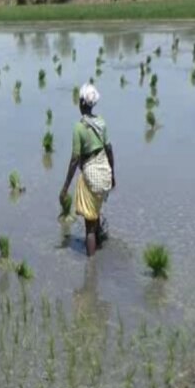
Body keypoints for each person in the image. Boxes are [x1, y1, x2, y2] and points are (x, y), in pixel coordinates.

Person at [59, 83, 115, 257]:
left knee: (89, 228)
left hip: (91, 177)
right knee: (95, 213)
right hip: (104, 175)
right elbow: (109, 149)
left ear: (82, 103)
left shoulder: (79, 127)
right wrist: (113, 175)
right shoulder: (101, 122)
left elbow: (75, 159)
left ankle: (91, 269)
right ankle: (99, 242)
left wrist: (65, 187)